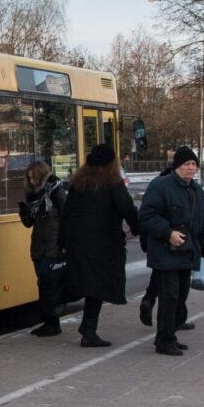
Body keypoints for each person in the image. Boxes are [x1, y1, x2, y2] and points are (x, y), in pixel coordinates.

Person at [58, 144, 139, 347]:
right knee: (98, 286)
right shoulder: (113, 183)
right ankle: (88, 330)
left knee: (90, 284)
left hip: (79, 243)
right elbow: (127, 208)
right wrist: (136, 230)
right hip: (104, 244)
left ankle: (88, 327)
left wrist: (64, 242)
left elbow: (67, 214)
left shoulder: (78, 183)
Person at [138, 146, 204, 356]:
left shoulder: (197, 191)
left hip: (187, 252)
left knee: (180, 296)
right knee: (169, 296)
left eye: (193, 164)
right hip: (165, 252)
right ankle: (163, 341)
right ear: (177, 167)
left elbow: (201, 225)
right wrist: (168, 232)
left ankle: (170, 335)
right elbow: (146, 215)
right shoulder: (161, 186)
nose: (191, 168)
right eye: (186, 164)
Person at [18, 160, 68, 337]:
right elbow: (28, 223)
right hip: (39, 246)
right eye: (29, 178)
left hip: (53, 246)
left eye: (34, 178)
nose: (32, 182)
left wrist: (64, 245)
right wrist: (24, 209)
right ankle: (49, 322)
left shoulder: (55, 190)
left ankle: (53, 323)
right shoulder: (33, 196)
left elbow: (66, 216)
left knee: (48, 283)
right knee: (43, 283)